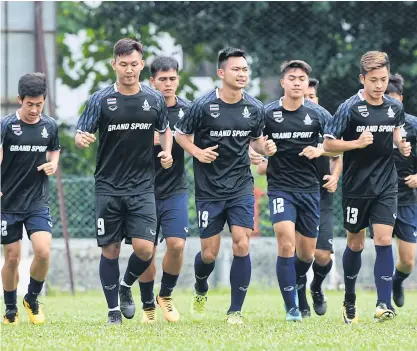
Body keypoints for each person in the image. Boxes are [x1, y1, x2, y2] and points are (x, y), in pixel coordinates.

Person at [175, 47, 276, 325]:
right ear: (221, 73)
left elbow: (256, 141)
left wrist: (264, 146)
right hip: (209, 189)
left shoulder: (255, 107)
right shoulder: (203, 105)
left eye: (245, 69)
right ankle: (200, 287)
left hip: (241, 185)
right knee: (209, 253)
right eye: (236, 69)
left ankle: (235, 311)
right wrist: (198, 152)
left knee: (242, 244)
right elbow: (181, 135)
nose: (242, 74)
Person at [75, 38, 172, 325]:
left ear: (142, 65)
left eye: (134, 64)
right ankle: (112, 312)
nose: (129, 70)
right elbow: (82, 131)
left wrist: (166, 151)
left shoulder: (153, 98)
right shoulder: (101, 99)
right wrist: (81, 138)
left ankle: (126, 285)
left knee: (145, 249)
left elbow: (165, 129)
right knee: (111, 249)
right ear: (114, 64)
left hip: (142, 185)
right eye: (123, 64)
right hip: (108, 185)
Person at [323, 51, 411, 323]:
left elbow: (396, 134)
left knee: (384, 239)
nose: (379, 85)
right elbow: (327, 145)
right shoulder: (349, 108)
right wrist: (355, 144)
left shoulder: (394, 108)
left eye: (383, 79)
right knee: (356, 243)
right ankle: (349, 298)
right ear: (362, 79)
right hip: (356, 187)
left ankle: (383, 303)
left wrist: (402, 145)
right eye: (373, 80)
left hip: (386, 184)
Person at [256, 77, 342, 318]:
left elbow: (338, 155)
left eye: (312, 96)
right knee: (287, 244)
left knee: (319, 256)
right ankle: (295, 302)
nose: (307, 98)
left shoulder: (323, 122)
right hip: (288, 190)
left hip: (320, 195)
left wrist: (334, 176)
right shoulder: (279, 120)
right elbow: (262, 159)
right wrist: (264, 154)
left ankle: (314, 287)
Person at [1, 72, 60, 325]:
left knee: (43, 251)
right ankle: (10, 308)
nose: (35, 109)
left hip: (37, 200)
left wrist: (52, 165)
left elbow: (54, 151)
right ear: (19, 100)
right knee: (12, 257)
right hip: (9, 203)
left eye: (39, 104)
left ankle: (32, 299)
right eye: (29, 104)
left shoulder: (50, 126)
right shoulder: (5, 125)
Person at [137, 56, 190, 323]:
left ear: (178, 80)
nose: (168, 84)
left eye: (172, 79)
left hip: (175, 189)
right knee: (146, 249)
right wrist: (161, 141)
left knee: (177, 244)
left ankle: (165, 296)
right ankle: (147, 303)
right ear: (152, 81)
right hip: (142, 190)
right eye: (162, 79)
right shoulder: (141, 107)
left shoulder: (189, 111)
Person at [368, 73, 417, 308]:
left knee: (408, 260)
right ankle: (383, 302)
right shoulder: (370, 121)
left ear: (401, 98)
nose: (392, 102)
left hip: (406, 198)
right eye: (388, 97)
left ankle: (398, 281)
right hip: (378, 196)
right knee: (383, 245)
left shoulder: (413, 125)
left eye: (395, 97)